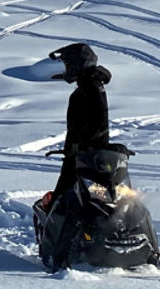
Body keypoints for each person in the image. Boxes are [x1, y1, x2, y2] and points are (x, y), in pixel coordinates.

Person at [45, 42, 111, 213]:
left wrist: (82, 144)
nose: (67, 68)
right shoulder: (89, 83)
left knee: (65, 196)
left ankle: (58, 236)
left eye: (68, 64)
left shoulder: (91, 84)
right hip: (85, 153)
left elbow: (100, 118)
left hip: (86, 155)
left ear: (78, 63)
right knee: (79, 196)